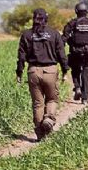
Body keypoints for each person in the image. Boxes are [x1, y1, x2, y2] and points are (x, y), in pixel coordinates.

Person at [16, 8, 69, 141]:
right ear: (46, 19)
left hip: (33, 71)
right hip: (50, 71)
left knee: (37, 104)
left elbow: (21, 56)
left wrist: (19, 73)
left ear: (33, 19)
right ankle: (49, 118)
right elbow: (62, 55)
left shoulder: (26, 35)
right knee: (52, 99)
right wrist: (65, 71)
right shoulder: (54, 34)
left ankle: (40, 134)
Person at [62, 2, 88, 104]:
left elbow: (64, 36)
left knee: (75, 70)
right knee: (86, 74)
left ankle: (77, 87)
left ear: (76, 11)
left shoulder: (72, 23)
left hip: (75, 52)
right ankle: (84, 98)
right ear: (87, 12)